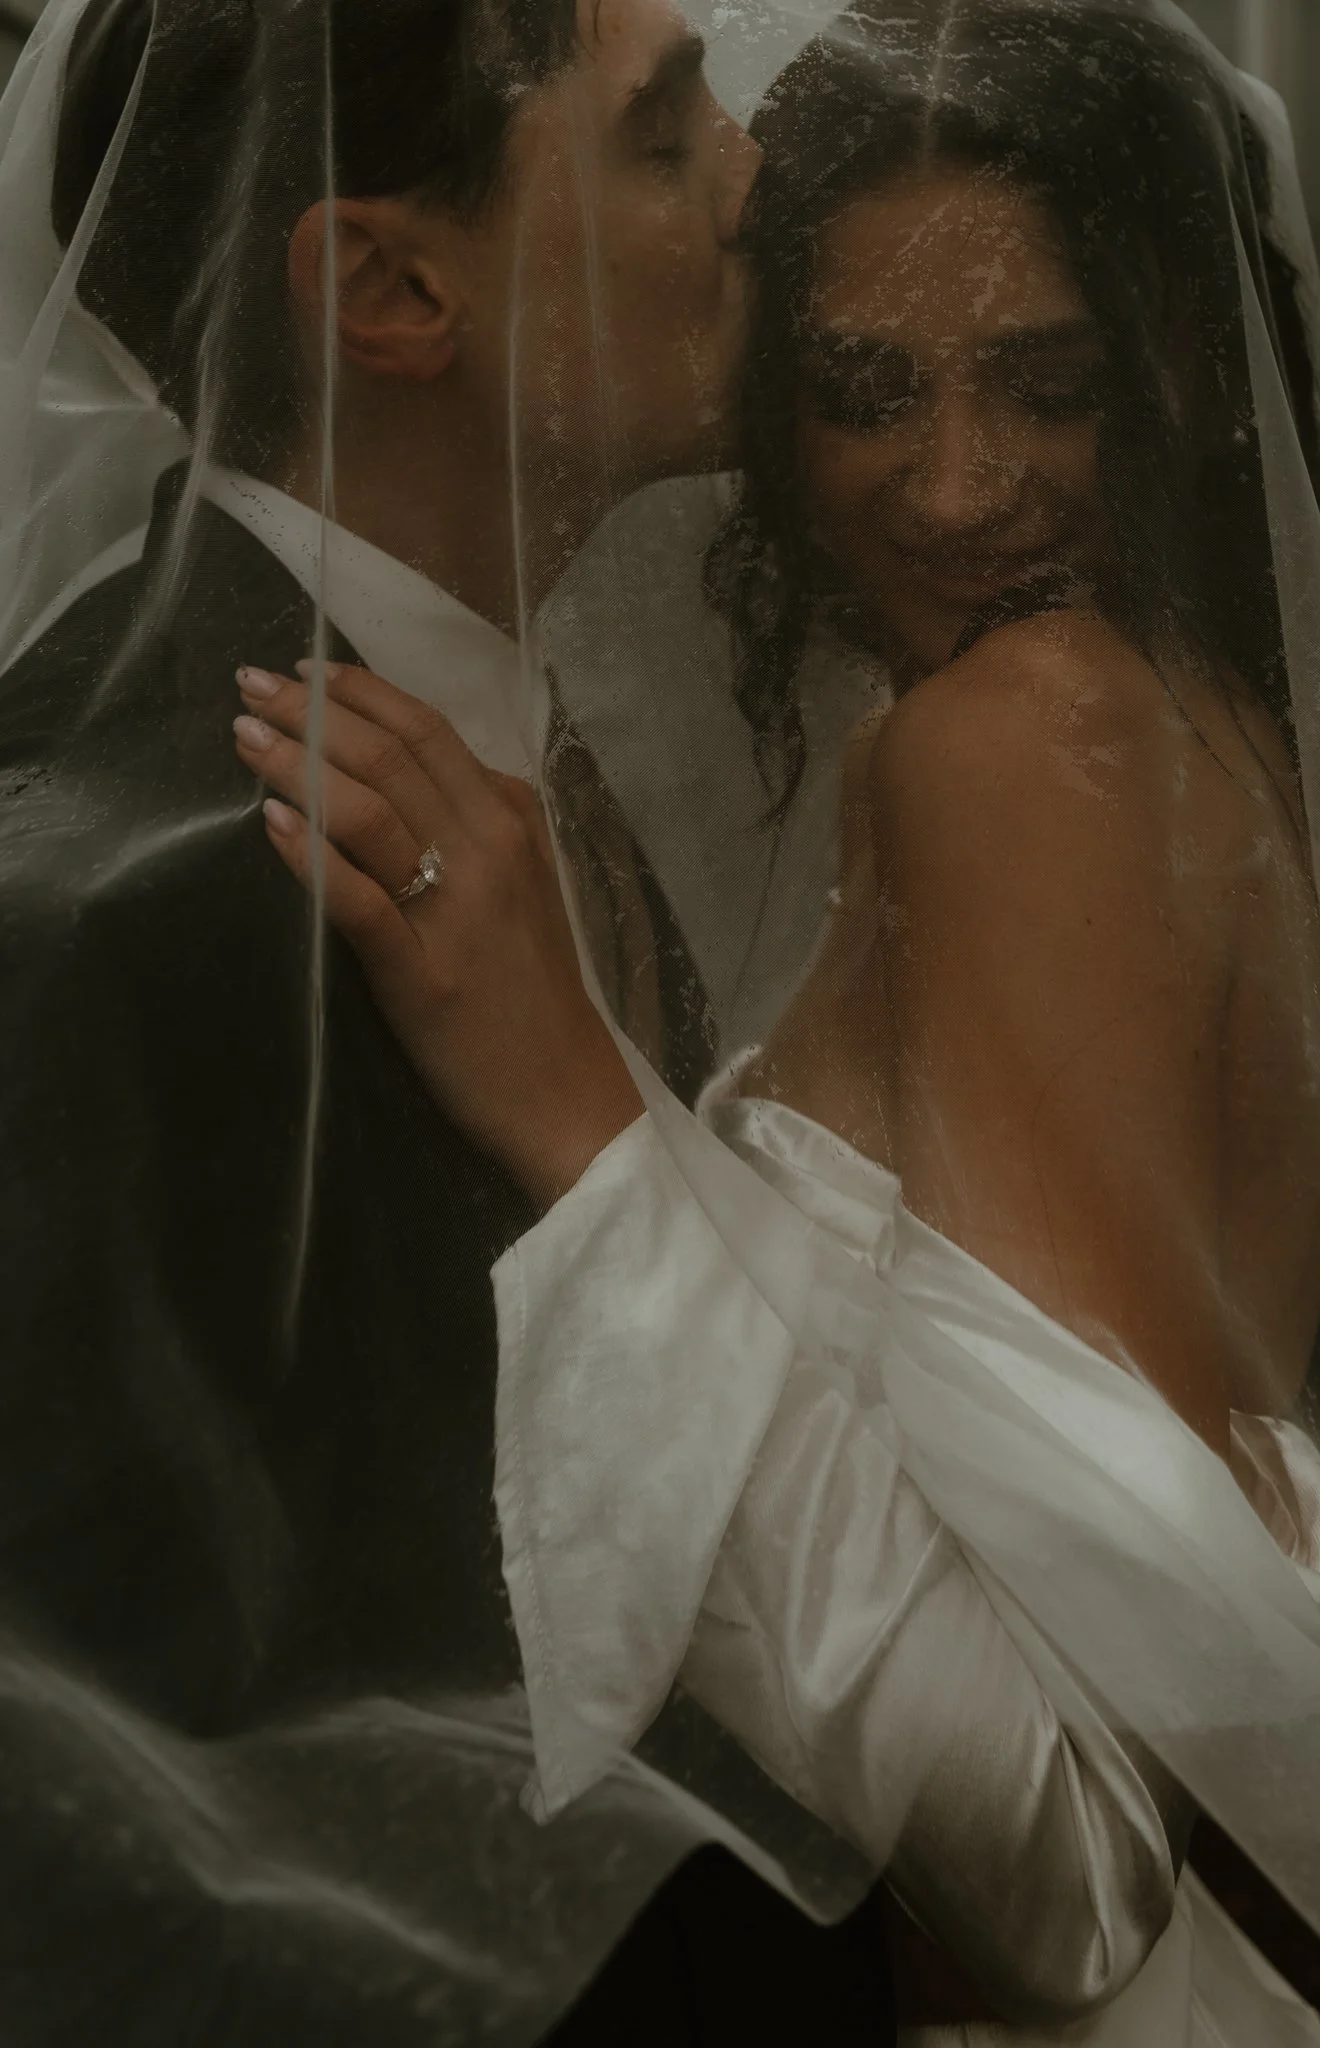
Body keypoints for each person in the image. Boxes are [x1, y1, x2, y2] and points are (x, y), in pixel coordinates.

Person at [0, 0, 1194, 2037]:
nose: (752, 173)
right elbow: (169, 1818)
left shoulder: (496, 774)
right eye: (660, 130)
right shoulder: (159, 899)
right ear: (393, 286)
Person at [253, 1, 1320, 2043]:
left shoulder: (1023, 747)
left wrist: (580, 1107)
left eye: (1051, 386)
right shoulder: (1152, 714)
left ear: (1179, 371)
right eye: (867, 388)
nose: (959, 486)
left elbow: (1091, 1819)